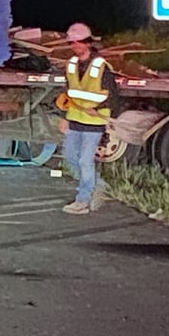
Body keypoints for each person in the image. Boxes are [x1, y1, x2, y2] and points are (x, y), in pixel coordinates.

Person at [58, 22, 116, 214]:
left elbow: (113, 95)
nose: (74, 46)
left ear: (87, 43)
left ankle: (82, 201)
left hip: (94, 121)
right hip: (75, 118)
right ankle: (99, 185)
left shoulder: (101, 66)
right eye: (72, 43)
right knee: (70, 158)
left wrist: (98, 108)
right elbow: (68, 93)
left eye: (77, 42)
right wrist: (64, 117)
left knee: (84, 161)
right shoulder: (72, 64)